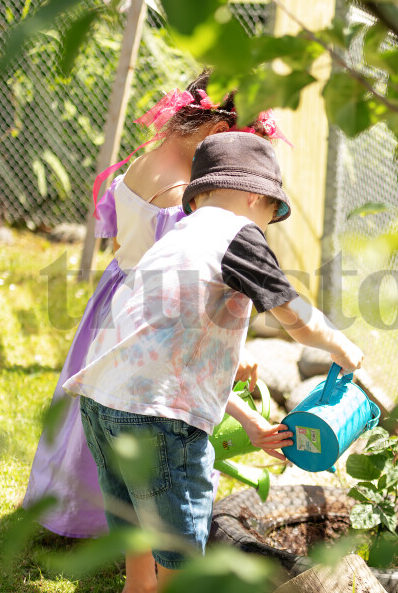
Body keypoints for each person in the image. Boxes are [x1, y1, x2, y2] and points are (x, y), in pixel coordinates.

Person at [63, 132, 364, 593]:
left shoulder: (178, 238)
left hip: (103, 404)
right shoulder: (239, 234)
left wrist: (247, 421)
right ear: (254, 197)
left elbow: (174, 358)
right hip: (157, 422)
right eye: (271, 215)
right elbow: (296, 318)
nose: (267, 227)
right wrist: (342, 348)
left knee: (140, 564)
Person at [23, 72, 282, 538]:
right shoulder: (184, 195)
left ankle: (70, 509)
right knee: (138, 409)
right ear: (219, 134)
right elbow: (192, 280)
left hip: (117, 297)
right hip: (154, 311)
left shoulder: (144, 162)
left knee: (97, 408)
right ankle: (116, 520)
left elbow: (123, 238)